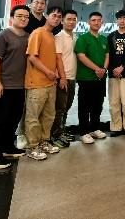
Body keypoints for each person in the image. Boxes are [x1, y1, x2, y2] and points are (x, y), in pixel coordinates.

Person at [0, 5, 30, 169]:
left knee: (13, 118)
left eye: (26, 16)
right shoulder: (3, 36)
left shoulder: (28, 37)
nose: (23, 19)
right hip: (3, 86)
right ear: (12, 18)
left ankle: (8, 147)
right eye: (19, 16)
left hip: (20, 86)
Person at [24, 6, 63, 160]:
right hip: (36, 82)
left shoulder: (52, 36)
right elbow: (32, 57)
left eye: (59, 17)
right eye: (54, 15)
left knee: (48, 116)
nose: (56, 18)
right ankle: (32, 147)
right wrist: (48, 71)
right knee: (33, 117)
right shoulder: (38, 32)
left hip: (50, 83)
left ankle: (44, 142)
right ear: (47, 16)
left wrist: (55, 73)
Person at [18, 0, 48, 149]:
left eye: (42, 3)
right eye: (36, 2)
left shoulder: (46, 22)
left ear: (45, 6)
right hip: (25, 63)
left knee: (38, 106)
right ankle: (21, 134)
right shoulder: (26, 20)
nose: (39, 5)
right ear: (30, 4)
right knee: (25, 104)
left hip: (42, 67)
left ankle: (39, 136)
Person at [74, 12, 109, 144]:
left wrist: (104, 69)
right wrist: (97, 69)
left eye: (99, 20)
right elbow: (81, 56)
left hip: (100, 78)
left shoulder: (104, 39)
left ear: (102, 23)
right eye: (93, 20)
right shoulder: (83, 38)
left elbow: (107, 56)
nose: (96, 22)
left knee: (98, 105)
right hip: (86, 78)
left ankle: (95, 128)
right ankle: (83, 132)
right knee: (84, 106)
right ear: (88, 22)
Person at [50, 9, 78, 148]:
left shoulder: (75, 37)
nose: (71, 22)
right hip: (63, 78)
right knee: (59, 108)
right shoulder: (59, 37)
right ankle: (55, 135)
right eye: (68, 19)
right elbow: (58, 58)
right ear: (62, 21)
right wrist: (62, 78)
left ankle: (62, 131)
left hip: (72, 77)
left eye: (74, 19)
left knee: (66, 107)